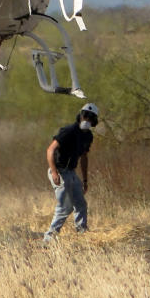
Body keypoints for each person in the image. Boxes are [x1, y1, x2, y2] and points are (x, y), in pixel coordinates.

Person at [43, 103, 99, 242]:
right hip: (59, 171)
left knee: (80, 204)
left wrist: (85, 180)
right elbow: (50, 150)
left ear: (94, 121)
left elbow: (84, 157)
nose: (87, 119)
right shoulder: (68, 131)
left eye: (90, 117)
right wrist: (55, 172)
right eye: (85, 115)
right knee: (65, 206)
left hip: (71, 173)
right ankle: (49, 238)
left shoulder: (88, 136)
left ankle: (82, 234)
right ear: (80, 116)